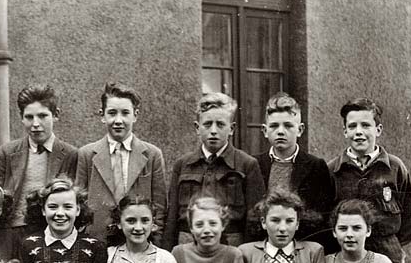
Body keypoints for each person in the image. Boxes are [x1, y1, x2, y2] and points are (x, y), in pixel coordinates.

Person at [327, 98, 411, 263]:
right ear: (345, 131)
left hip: (387, 255)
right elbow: (325, 217)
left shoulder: (395, 168)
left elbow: (409, 218)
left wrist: (393, 247)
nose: (359, 132)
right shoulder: (332, 170)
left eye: (366, 125)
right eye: (352, 126)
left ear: (378, 129)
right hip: (346, 257)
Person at [164, 92, 265, 249]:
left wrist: (248, 256)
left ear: (231, 129)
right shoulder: (182, 165)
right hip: (187, 247)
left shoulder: (247, 165)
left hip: (232, 247)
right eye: (207, 124)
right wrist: (167, 255)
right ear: (197, 128)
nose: (213, 130)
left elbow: (254, 221)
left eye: (220, 124)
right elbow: (171, 218)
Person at [75, 82, 167, 241]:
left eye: (125, 113)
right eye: (112, 113)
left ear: (135, 115)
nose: (118, 120)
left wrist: (154, 240)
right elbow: (80, 203)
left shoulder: (152, 154)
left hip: (138, 240)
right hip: (97, 240)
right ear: (102, 116)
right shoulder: (87, 154)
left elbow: (159, 206)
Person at [254, 93, 335, 249]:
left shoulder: (316, 166)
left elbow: (324, 217)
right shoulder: (255, 164)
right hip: (263, 247)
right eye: (274, 126)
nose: (280, 131)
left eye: (288, 125)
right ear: (264, 130)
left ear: (300, 129)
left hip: (302, 247)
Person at [0, 84, 78, 229]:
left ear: (55, 115)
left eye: (42, 116)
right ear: (21, 118)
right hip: (13, 230)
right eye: (29, 117)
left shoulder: (70, 154)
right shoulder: (8, 152)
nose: (36, 124)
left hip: (52, 230)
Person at [19, 176, 106, 263]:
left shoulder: (95, 247)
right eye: (53, 207)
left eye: (67, 207)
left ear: (77, 210)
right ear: (43, 210)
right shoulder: (29, 244)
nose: (60, 213)